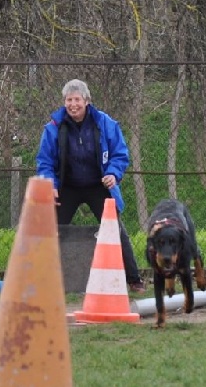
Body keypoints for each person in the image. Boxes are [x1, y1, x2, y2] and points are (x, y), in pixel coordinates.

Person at [35, 79, 146, 293]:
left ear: (87, 101)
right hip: (67, 186)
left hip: (98, 185)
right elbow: (44, 161)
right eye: (69, 100)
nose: (73, 104)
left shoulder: (105, 123)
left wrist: (113, 174)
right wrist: (50, 184)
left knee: (115, 229)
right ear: (64, 102)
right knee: (51, 230)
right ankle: (40, 279)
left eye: (77, 99)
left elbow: (120, 154)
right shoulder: (53, 127)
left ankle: (134, 279)